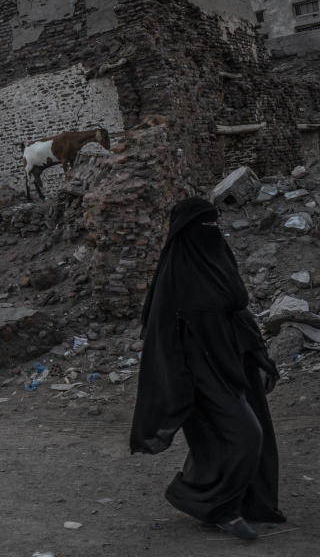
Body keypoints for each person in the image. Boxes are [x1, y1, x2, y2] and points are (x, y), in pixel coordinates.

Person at [130, 197, 284, 540]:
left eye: (216, 224)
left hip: (232, 365)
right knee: (247, 436)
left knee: (224, 443)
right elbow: (161, 336)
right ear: (188, 230)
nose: (213, 232)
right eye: (206, 225)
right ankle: (219, 508)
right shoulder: (176, 275)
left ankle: (221, 506)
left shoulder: (218, 259)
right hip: (199, 374)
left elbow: (238, 309)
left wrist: (257, 353)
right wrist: (178, 381)